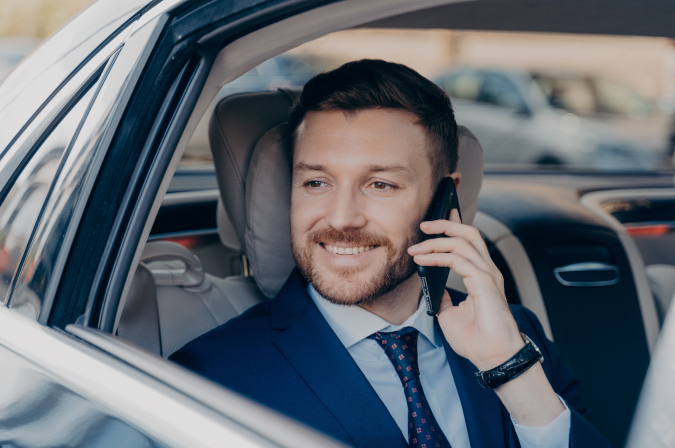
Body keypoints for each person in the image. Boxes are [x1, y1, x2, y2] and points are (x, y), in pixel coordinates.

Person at [170, 59, 610, 448]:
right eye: (316, 183)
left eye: (380, 184)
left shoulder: (518, 340)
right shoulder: (210, 377)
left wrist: (510, 370)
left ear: (445, 200)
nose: (341, 218)